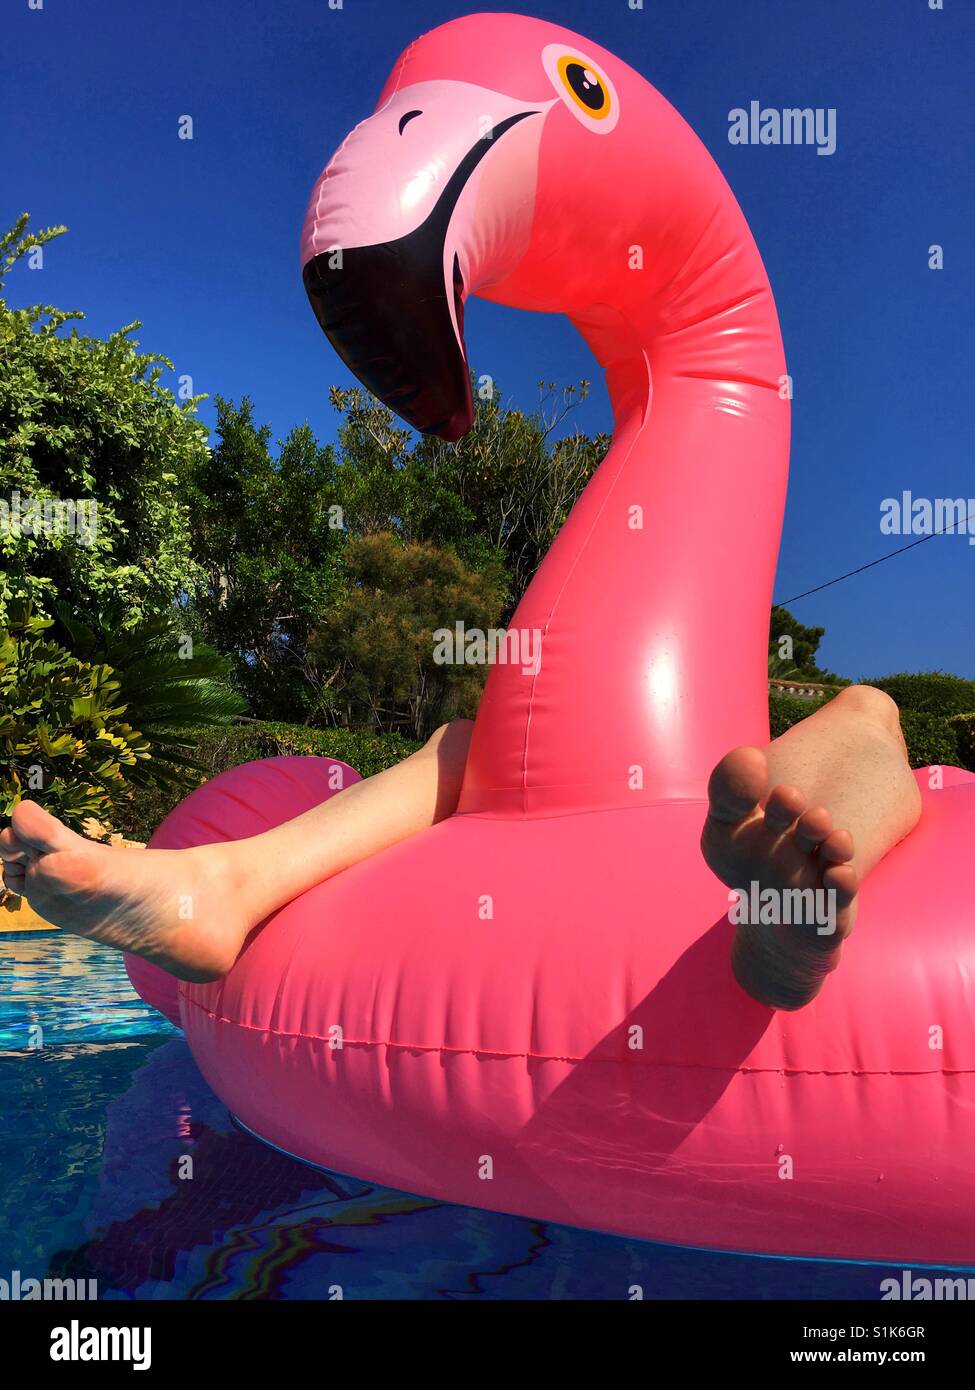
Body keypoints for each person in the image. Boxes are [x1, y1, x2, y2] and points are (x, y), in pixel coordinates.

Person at [0, 685, 921, 1011]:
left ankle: (785, 905)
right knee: (467, 739)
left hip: (706, 781)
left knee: (862, 708)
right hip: (663, 777)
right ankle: (220, 884)